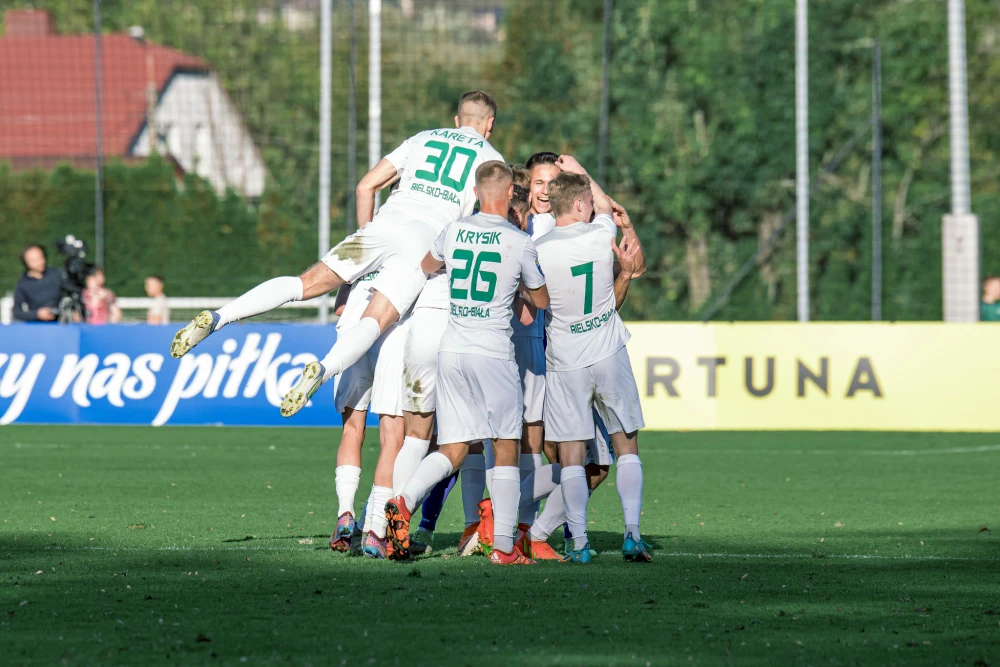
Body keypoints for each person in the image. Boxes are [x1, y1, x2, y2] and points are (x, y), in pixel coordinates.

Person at [170, 91, 504, 410]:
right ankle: (323, 368)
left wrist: (367, 239)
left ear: (457, 119)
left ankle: (220, 316)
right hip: (424, 240)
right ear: (489, 124)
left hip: (385, 223)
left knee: (303, 285)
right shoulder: (492, 160)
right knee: (375, 320)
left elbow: (365, 187)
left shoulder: (422, 139)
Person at [383, 161, 549, 565]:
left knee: (454, 447)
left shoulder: (454, 230)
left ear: (475, 192)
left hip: (452, 350)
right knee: (505, 446)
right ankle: (505, 548)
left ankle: (404, 501)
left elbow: (427, 266)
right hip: (492, 352)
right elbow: (542, 300)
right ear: (510, 193)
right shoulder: (519, 241)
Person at [530, 159, 650, 564]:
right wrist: (583, 170)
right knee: (626, 446)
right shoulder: (601, 235)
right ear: (581, 205)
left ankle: (579, 544)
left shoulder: (539, 250)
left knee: (571, 457)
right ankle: (632, 535)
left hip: (566, 361)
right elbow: (605, 206)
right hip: (609, 352)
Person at [13, 245, 62, 323]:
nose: (40, 262)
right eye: (34, 260)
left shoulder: (56, 274)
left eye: (41, 257)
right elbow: (16, 312)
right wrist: (37, 314)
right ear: (26, 262)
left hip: (61, 323)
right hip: (37, 325)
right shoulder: (23, 284)